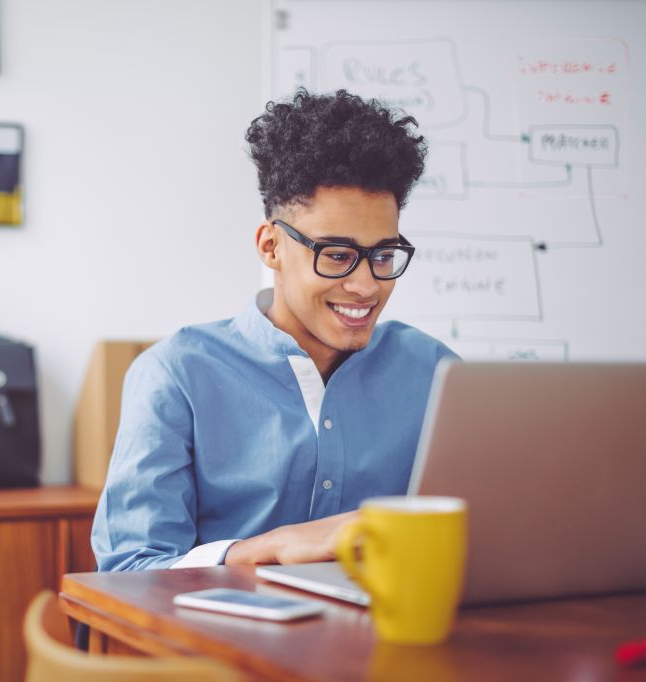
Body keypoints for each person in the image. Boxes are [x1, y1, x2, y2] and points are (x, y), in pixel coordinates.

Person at [91, 89, 458, 571]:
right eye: (338, 256)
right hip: (218, 644)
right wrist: (270, 547)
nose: (366, 285)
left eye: (383, 255)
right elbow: (127, 572)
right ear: (271, 247)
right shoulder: (176, 374)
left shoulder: (434, 371)